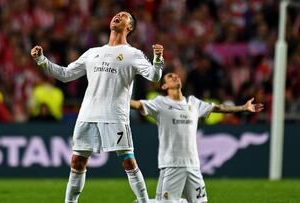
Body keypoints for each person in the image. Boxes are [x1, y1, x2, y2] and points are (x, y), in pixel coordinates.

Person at [30, 11, 164, 203]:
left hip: (115, 116)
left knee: (128, 161)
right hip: (87, 115)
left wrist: (158, 59)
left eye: (124, 15)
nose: (117, 16)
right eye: (117, 14)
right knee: (77, 162)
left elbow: (154, 76)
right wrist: (42, 60)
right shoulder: (93, 52)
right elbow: (66, 74)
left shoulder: (133, 54)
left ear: (130, 27)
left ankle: (144, 201)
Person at [130, 72, 264, 203]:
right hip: (172, 164)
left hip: (193, 165)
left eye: (176, 75)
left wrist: (244, 108)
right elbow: (138, 105)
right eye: (170, 77)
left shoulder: (193, 103)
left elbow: (219, 108)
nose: (175, 76)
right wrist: (117, 100)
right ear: (164, 86)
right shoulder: (160, 103)